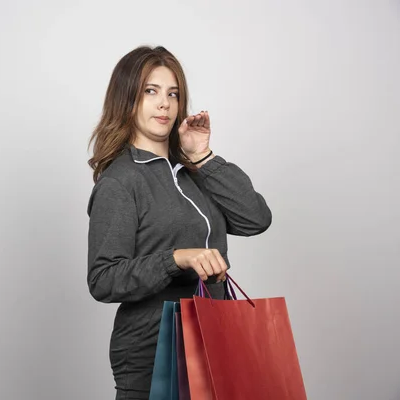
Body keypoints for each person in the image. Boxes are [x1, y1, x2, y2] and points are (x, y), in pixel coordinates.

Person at [86, 45, 272, 399]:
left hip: (213, 340)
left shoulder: (190, 172)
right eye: (151, 91)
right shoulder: (121, 181)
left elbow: (256, 219)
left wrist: (200, 156)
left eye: (173, 94)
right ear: (127, 99)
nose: (165, 104)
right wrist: (175, 259)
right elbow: (103, 279)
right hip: (154, 351)